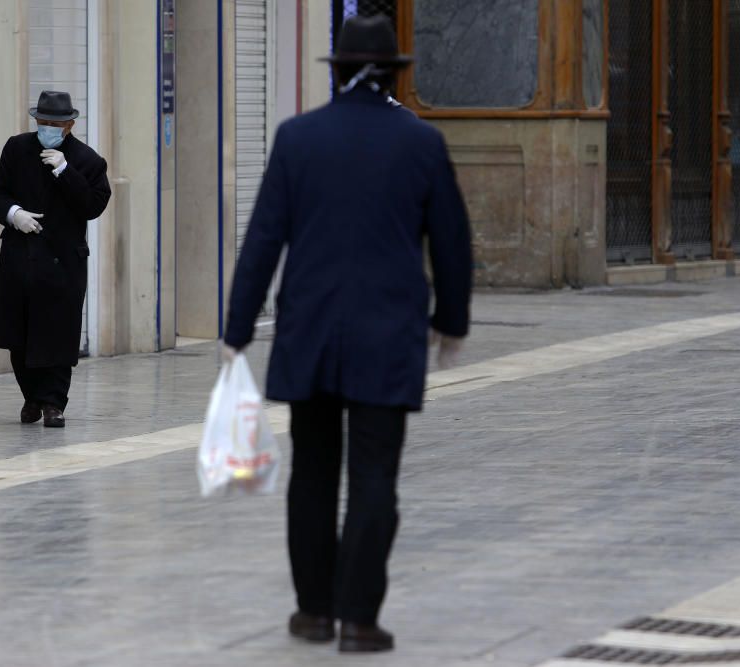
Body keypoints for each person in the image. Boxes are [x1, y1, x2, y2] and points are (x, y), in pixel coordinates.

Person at [222, 15, 473, 654]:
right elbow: (452, 243)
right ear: (393, 73)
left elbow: (262, 239)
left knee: (311, 471)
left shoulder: (298, 138)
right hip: (387, 336)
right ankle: (359, 619)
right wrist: (451, 324)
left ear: (335, 71)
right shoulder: (421, 144)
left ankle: (313, 611)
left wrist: (237, 326)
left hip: (310, 332)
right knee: (373, 475)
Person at [0, 90, 110, 428]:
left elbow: (92, 206)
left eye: (55, 124)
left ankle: (54, 403)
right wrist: (14, 215)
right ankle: (31, 398)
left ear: (69, 125)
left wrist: (66, 171)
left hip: (62, 264)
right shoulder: (17, 149)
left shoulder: (88, 161)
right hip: (20, 258)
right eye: (42, 122)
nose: (48, 129)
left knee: (58, 334)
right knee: (19, 335)